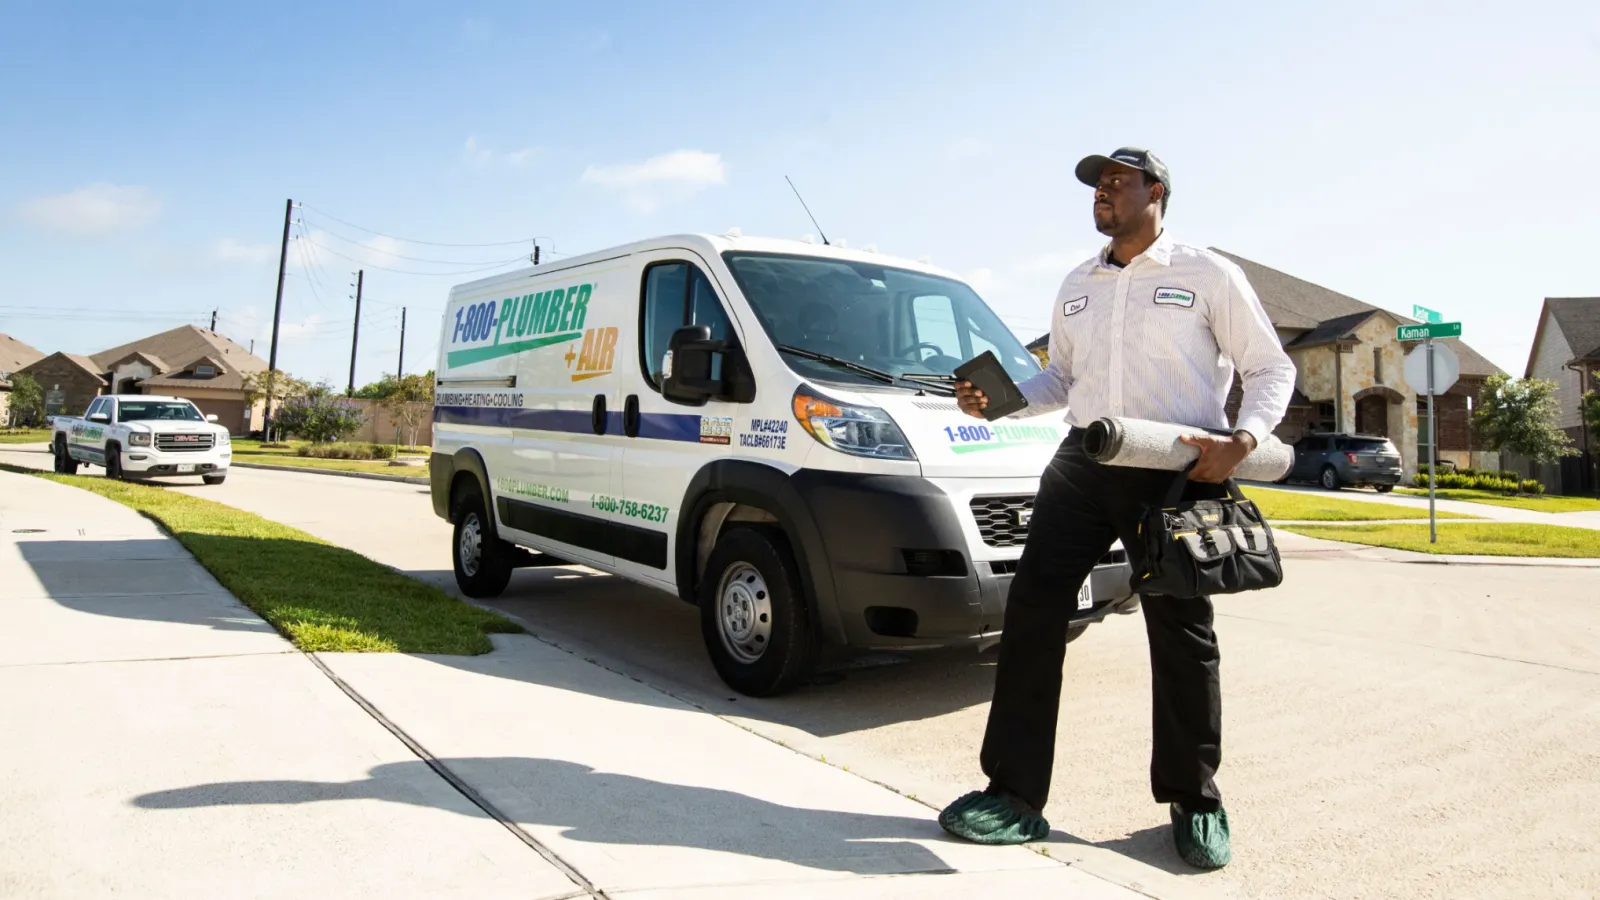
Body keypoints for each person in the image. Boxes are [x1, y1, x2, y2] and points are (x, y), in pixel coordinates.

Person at [937, 147, 1296, 869]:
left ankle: (1195, 801)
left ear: (1155, 192)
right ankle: (1012, 795)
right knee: (1033, 612)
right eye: (1097, 183)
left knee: (1181, 631)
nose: (1102, 192)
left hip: (1173, 472)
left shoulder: (1207, 274)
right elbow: (1061, 379)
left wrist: (1245, 437)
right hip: (1084, 460)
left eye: (1116, 181)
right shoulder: (1079, 283)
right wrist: (1000, 402)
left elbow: (1270, 367)